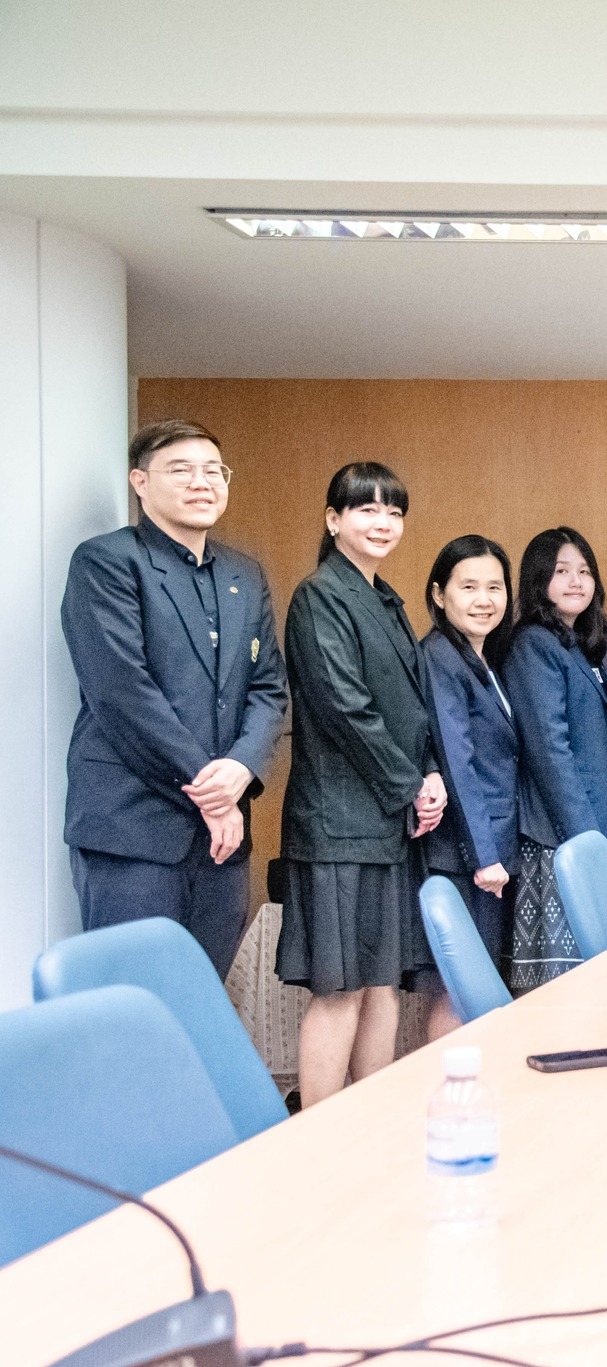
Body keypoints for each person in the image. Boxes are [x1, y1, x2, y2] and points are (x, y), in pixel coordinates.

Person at [61, 419, 287, 978]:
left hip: (221, 840)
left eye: (213, 470)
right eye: (181, 470)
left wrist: (241, 768)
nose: (201, 482)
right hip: (132, 829)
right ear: (139, 482)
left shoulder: (244, 573)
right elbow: (122, 693)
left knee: (202, 995)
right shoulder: (107, 561)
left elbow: (268, 687)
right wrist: (214, 794)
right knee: (132, 999)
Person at [277, 463, 444, 1106]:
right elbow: (345, 709)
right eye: (367, 510)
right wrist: (410, 784)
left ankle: (370, 1122)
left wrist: (429, 774)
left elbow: (413, 711)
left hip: (385, 823)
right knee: (340, 988)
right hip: (339, 823)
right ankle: (319, 1133)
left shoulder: (386, 599)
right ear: (333, 520)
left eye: (394, 513)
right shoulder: (320, 595)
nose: (383, 523)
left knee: (381, 984)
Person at [503, 527, 607, 994]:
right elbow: (550, 750)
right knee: (564, 988)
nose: (576, 581)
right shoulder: (534, 643)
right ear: (539, 580)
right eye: (561, 571)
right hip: (561, 838)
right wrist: (586, 840)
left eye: (585, 571)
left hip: (587, 832)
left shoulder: (576, 644)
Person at [419, 535, 519, 1038]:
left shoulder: (481, 658)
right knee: (458, 991)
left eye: (495, 587)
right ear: (439, 594)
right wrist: (484, 856)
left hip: (489, 847)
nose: (484, 600)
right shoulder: (439, 656)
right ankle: (445, 1081)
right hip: (465, 854)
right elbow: (457, 762)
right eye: (469, 587)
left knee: (476, 988)